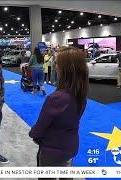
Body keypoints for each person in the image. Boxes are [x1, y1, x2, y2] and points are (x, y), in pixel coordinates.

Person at [29, 47, 88, 180]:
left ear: (65, 70)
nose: (56, 68)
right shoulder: (81, 94)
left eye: (58, 65)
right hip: (70, 146)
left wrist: (33, 134)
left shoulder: (56, 98)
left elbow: (40, 128)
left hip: (52, 150)